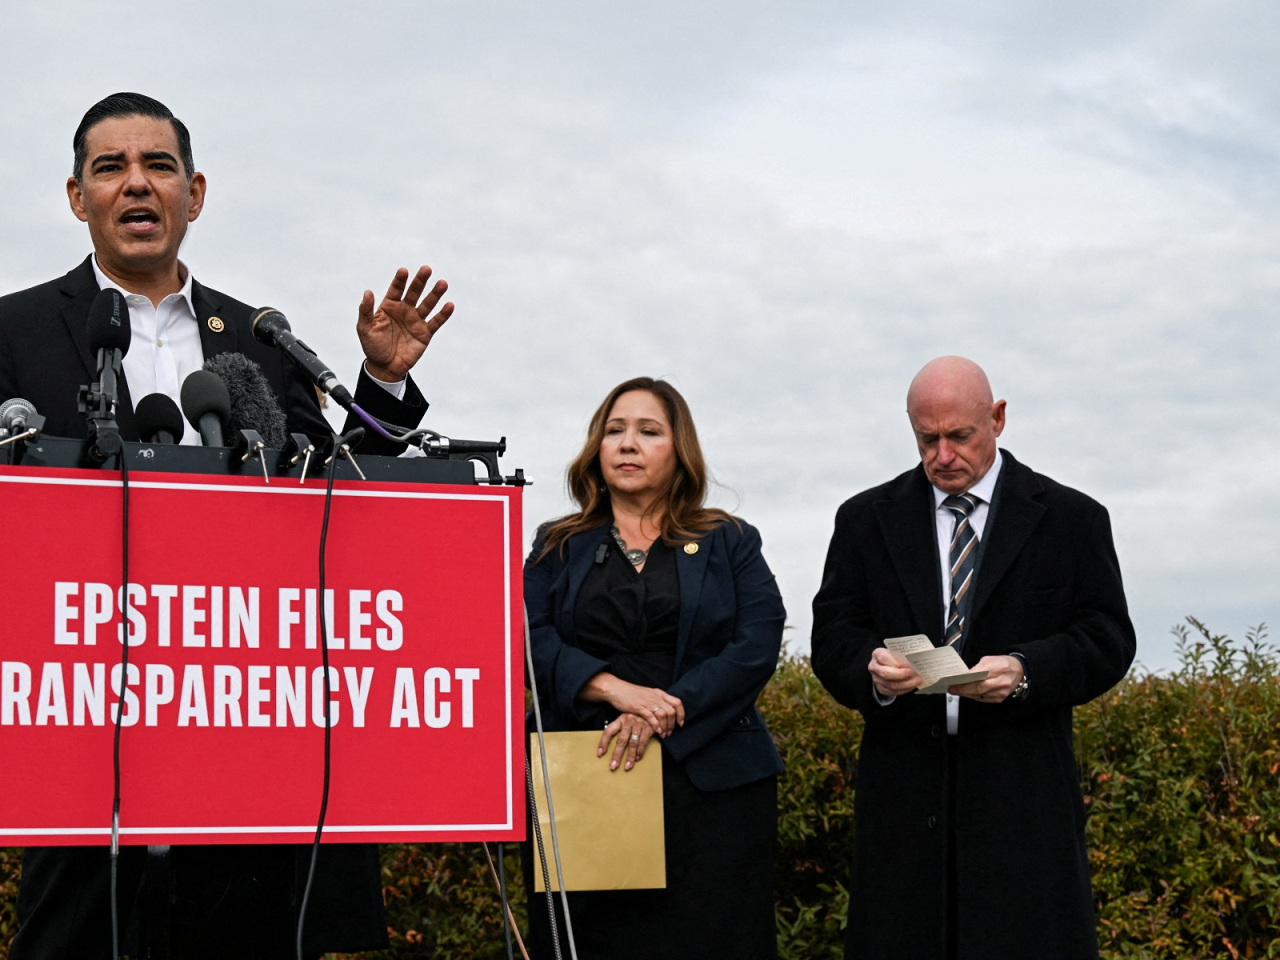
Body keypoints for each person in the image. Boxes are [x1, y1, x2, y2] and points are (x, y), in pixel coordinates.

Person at [0, 92, 456, 959]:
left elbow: (337, 505)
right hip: (81, 760)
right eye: (111, 168)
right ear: (76, 196)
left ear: (195, 192)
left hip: (241, 779)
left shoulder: (256, 335)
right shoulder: (13, 331)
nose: (137, 185)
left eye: (158, 167)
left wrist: (380, 384)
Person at [811, 356, 1136, 960]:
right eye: (925, 438)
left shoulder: (1072, 519)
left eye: (959, 436)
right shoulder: (862, 520)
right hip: (904, 805)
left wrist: (1025, 669)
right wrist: (874, 671)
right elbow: (833, 637)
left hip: (1024, 801)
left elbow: (1108, 639)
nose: (942, 455)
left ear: (998, 419)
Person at [524, 377, 786, 960]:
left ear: (679, 449)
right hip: (588, 774)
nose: (627, 444)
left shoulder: (730, 540)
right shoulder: (555, 544)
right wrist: (617, 691)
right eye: (614, 431)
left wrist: (665, 710)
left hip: (712, 780)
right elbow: (523, 636)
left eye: (648, 431)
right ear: (596, 448)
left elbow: (756, 641)